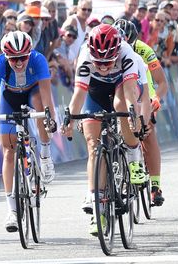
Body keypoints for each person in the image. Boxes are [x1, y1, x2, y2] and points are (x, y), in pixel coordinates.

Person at [62, 24, 149, 235]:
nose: (103, 67)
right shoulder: (84, 56)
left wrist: (133, 115)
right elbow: (79, 95)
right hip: (95, 91)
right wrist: (70, 121)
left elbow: (130, 92)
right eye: (98, 62)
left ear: (117, 52)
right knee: (93, 145)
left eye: (108, 62)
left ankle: (133, 155)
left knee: (122, 107)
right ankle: (97, 207)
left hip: (121, 86)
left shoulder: (127, 53)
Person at [0, 31, 57, 232]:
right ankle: (12, 211)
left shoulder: (38, 60)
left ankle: (44, 154)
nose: (18, 62)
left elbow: (46, 95)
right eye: (14, 59)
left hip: (34, 94)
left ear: (29, 53)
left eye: (22, 57)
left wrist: (50, 118)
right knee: (9, 150)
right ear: (6, 56)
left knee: (39, 105)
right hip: (10, 99)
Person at [114, 19, 169, 206]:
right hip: (120, 88)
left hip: (143, 88)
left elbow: (161, 82)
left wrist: (156, 99)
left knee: (148, 132)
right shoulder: (111, 50)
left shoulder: (144, 50)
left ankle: (155, 185)